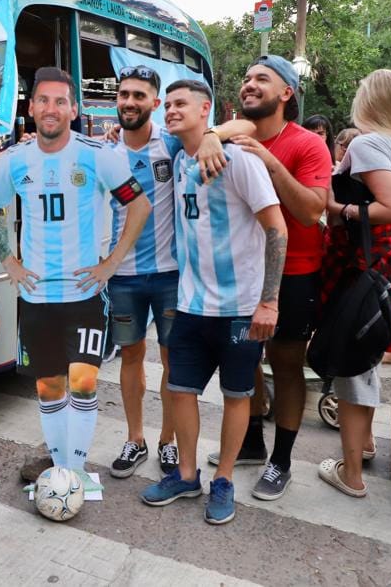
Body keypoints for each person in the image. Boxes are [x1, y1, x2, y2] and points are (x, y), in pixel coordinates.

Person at [0, 66, 150, 493]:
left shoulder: (98, 155)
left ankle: (76, 474)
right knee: (48, 387)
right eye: (44, 100)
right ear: (31, 107)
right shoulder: (14, 160)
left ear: (73, 109)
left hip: (84, 294)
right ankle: (59, 471)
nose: (52, 108)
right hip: (37, 296)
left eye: (61, 101)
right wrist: (9, 258)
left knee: (83, 382)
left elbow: (140, 206)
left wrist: (110, 264)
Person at [139, 79, 286, 525]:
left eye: (181, 104)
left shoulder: (237, 158)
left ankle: (223, 479)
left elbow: (277, 230)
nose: (171, 110)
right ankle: (186, 474)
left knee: (237, 396)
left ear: (206, 110)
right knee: (180, 391)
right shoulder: (181, 157)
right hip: (191, 304)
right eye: (167, 104)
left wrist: (269, 302)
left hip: (240, 307)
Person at [195, 55, 332, 501]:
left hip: (294, 274)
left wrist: (270, 164)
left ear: (286, 93)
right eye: (248, 78)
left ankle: (282, 460)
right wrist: (213, 134)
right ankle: (251, 440)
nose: (249, 84)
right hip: (239, 274)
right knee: (245, 362)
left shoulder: (309, 144)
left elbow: (312, 212)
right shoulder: (233, 132)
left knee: (286, 364)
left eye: (262, 79)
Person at [318, 69, 391, 498]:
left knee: (353, 365)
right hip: (386, 261)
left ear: (369, 100)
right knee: (368, 357)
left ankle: (352, 474)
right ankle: (368, 444)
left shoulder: (366, 143)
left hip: (364, 262)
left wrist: (344, 212)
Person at [105, 65, 181, 478]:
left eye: (139, 96)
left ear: (155, 102)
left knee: (172, 359)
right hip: (124, 276)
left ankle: (168, 442)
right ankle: (135, 439)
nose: (130, 102)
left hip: (170, 274)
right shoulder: (106, 151)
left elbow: (215, 132)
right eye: (124, 95)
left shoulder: (172, 146)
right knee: (131, 355)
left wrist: (209, 135)